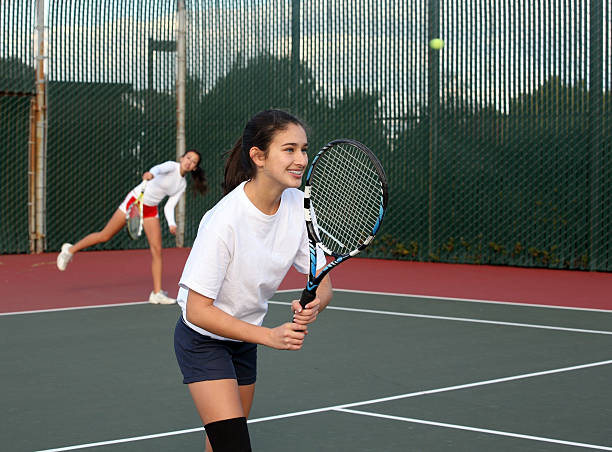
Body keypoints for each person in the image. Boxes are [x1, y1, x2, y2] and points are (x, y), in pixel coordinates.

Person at [173, 110, 333, 452]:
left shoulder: (301, 207)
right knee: (233, 446)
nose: (301, 159)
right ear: (258, 156)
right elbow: (197, 309)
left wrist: (316, 303)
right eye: (289, 149)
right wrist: (269, 336)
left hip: (243, 340)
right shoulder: (223, 221)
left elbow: (322, 280)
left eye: (304, 149)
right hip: (204, 340)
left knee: (222, 444)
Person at [56, 150, 208, 305]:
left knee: (157, 250)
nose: (189, 162)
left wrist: (171, 223)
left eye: (193, 162)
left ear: (194, 168)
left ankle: (156, 293)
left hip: (150, 209)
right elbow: (158, 169)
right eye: (188, 158)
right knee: (105, 235)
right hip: (136, 200)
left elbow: (169, 206)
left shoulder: (181, 185)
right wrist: (150, 173)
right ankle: (69, 250)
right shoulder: (171, 166)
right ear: (182, 158)